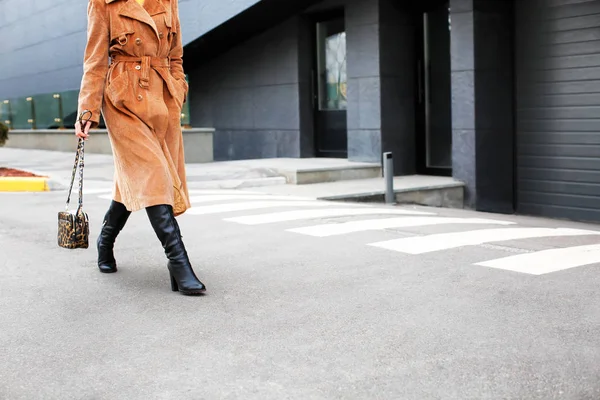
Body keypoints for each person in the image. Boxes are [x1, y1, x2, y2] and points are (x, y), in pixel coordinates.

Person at [74, 0, 206, 295]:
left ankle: (105, 241)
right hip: (123, 100)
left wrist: (177, 89)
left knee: (137, 180)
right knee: (154, 175)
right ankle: (178, 262)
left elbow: (176, 56)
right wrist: (87, 111)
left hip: (163, 100)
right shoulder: (102, 3)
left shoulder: (168, 1)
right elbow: (94, 60)